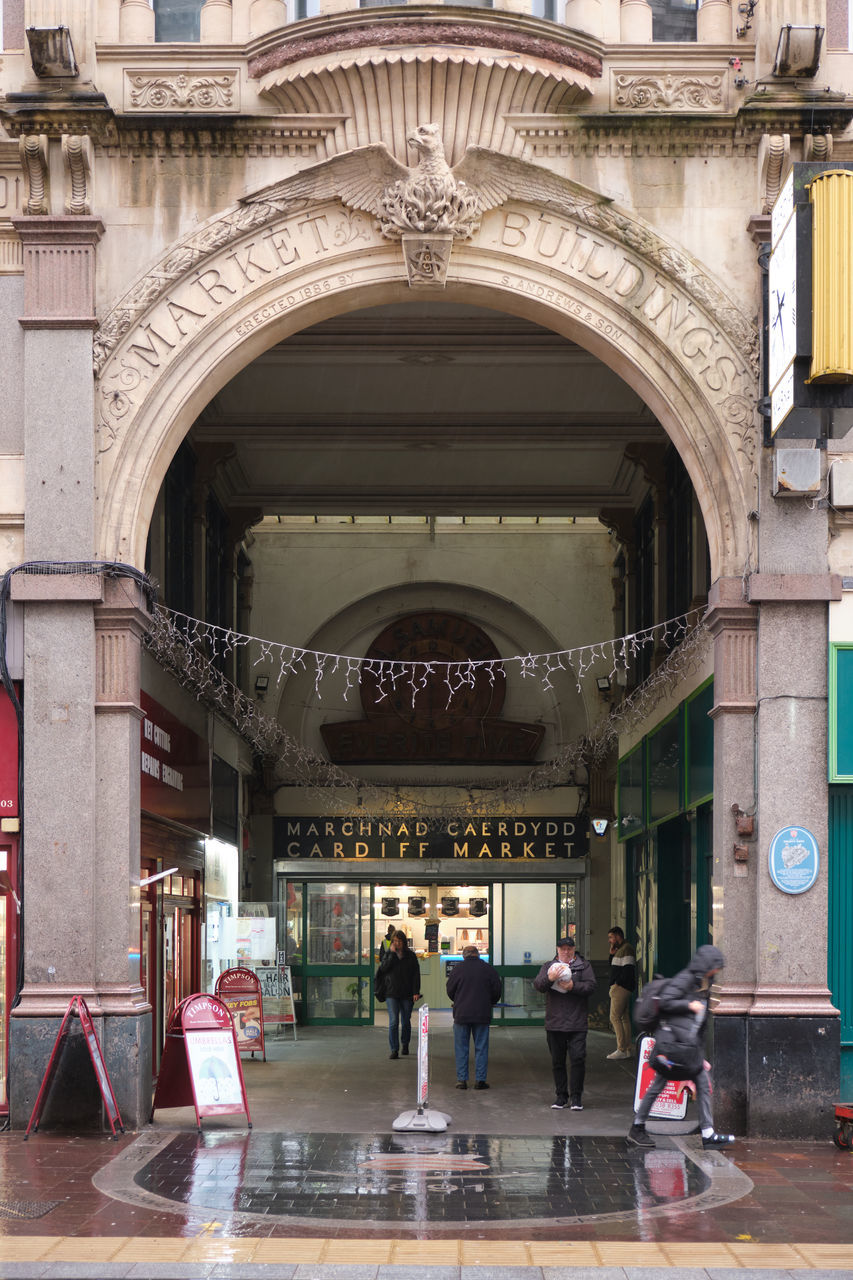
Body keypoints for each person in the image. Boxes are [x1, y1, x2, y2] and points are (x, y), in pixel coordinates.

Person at [627, 943, 735, 1150]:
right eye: (714, 967)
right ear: (706, 964)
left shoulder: (704, 983)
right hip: (673, 1046)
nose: (716, 971)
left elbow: (700, 1024)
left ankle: (707, 1133)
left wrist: (699, 1053)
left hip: (686, 1047)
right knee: (659, 1086)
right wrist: (689, 1005)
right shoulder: (686, 979)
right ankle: (638, 1127)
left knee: (700, 1083)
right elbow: (666, 1002)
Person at [533, 935, 596, 1111]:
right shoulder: (548, 966)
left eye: (569, 948)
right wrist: (550, 978)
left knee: (577, 1059)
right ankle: (561, 1096)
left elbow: (591, 987)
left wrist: (572, 987)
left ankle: (576, 1098)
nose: (566, 952)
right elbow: (538, 985)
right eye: (562, 949)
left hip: (577, 1023)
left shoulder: (584, 966)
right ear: (557, 950)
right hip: (555, 1022)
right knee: (557, 1061)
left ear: (573, 949)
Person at [446, 944, 502, 1090]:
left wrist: (458, 1000)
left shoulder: (457, 969)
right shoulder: (488, 969)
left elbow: (450, 990)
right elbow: (497, 990)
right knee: (481, 1047)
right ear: (478, 954)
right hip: (482, 1013)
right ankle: (480, 1080)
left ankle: (461, 1080)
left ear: (464, 956)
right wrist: (490, 1002)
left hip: (461, 1014)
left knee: (461, 1047)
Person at [377, 929, 421, 1059]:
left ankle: (405, 1043)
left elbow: (415, 975)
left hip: (407, 993)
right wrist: (391, 954)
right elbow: (383, 968)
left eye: (399, 941)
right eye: (394, 941)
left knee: (406, 1021)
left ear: (404, 942)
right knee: (394, 1021)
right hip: (391, 992)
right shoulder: (389, 954)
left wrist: (416, 992)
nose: (397, 943)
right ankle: (394, 1049)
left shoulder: (411, 956)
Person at [606, 926, 636, 1059]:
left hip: (621, 988)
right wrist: (611, 954)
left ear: (618, 936)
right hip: (623, 987)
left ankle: (621, 1048)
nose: (610, 940)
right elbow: (613, 966)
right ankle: (627, 1048)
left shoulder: (626, 949)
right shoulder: (621, 950)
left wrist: (617, 983)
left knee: (614, 1017)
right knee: (623, 1018)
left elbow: (628, 969)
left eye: (611, 937)